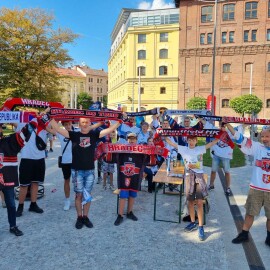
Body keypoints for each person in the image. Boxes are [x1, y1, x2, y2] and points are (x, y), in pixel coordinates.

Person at [50, 117, 121, 229]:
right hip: (77, 170)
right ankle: (79, 217)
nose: (84, 124)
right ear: (79, 123)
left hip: (89, 170)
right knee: (78, 195)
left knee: (87, 196)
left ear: (89, 123)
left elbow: (109, 130)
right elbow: (58, 129)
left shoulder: (94, 134)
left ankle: (86, 217)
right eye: (82, 122)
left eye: (86, 122)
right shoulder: (74, 135)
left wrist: (119, 121)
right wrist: (50, 117)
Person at [165, 135, 219, 241]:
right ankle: (192, 222)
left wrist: (220, 136)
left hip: (199, 176)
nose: (191, 142)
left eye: (193, 140)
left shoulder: (200, 149)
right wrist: (164, 133)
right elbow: (172, 143)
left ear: (196, 141)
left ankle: (200, 226)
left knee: (199, 202)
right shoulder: (184, 149)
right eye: (189, 140)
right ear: (187, 140)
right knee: (190, 201)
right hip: (189, 176)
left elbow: (211, 143)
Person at [225, 124, 270, 246]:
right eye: (263, 136)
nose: (264, 138)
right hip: (256, 188)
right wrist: (227, 125)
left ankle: (269, 237)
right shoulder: (257, 147)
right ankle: (244, 234)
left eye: (267, 136)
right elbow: (240, 138)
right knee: (250, 212)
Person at [104, 132, 155, 226]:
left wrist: (151, 151)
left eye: (133, 138)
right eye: (130, 138)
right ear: (127, 139)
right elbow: (109, 159)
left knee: (132, 194)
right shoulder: (121, 150)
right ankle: (120, 215)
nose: (131, 140)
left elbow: (151, 162)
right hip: (123, 177)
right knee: (123, 195)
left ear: (136, 140)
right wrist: (109, 147)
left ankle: (129, 212)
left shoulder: (141, 151)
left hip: (135, 177)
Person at [0, 120, 36, 236]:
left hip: (7, 177)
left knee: (11, 204)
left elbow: (26, 132)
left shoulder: (9, 141)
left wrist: (37, 119)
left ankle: (13, 226)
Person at [16, 118, 49, 217]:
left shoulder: (44, 125)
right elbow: (10, 121)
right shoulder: (22, 124)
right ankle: (20, 206)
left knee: (35, 182)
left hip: (40, 158)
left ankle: (33, 204)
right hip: (26, 158)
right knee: (24, 185)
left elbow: (53, 130)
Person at [50, 120, 73, 210]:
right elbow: (49, 129)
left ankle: (79, 199)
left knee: (77, 182)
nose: (68, 126)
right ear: (63, 125)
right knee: (66, 180)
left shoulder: (76, 132)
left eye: (69, 124)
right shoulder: (60, 133)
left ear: (71, 124)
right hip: (65, 161)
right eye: (66, 124)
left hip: (75, 161)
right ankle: (67, 200)